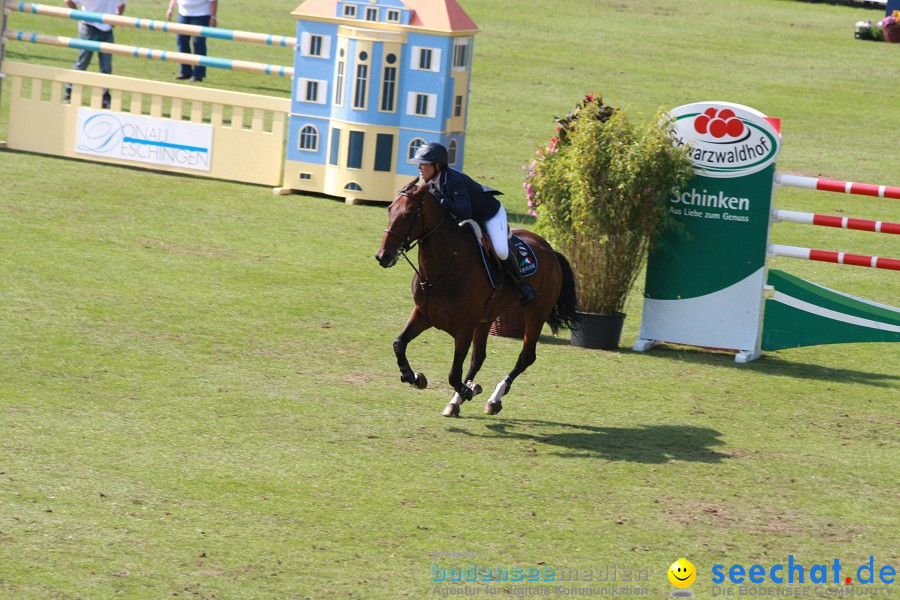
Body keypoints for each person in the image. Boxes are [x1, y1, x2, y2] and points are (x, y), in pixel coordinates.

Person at [412, 142, 535, 305]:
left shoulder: (453, 181)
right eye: (419, 164)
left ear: (437, 165)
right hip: (469, 219)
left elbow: (464, 211)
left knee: (501, 251)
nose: (419, 167)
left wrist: (443, 201)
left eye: (423, 164)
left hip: (489, 215)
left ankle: (521, 285)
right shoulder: (429, 183)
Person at [63, 0, 126, 109]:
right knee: (83, 63)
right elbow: (68, 1)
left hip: (107, 30)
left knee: (106, 67)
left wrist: (116, 18)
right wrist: (78, 14)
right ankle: (70, 91)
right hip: (88, 27)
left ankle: (105, 97)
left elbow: (122, 4)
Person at [166, 0, 218, 82]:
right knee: (181, 41)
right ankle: (185, 71)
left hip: (201, 15)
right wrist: (170, 9)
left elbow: (214, 1)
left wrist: (213, 17)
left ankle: (198, 74)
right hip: (183, 14)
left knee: (198, 43)